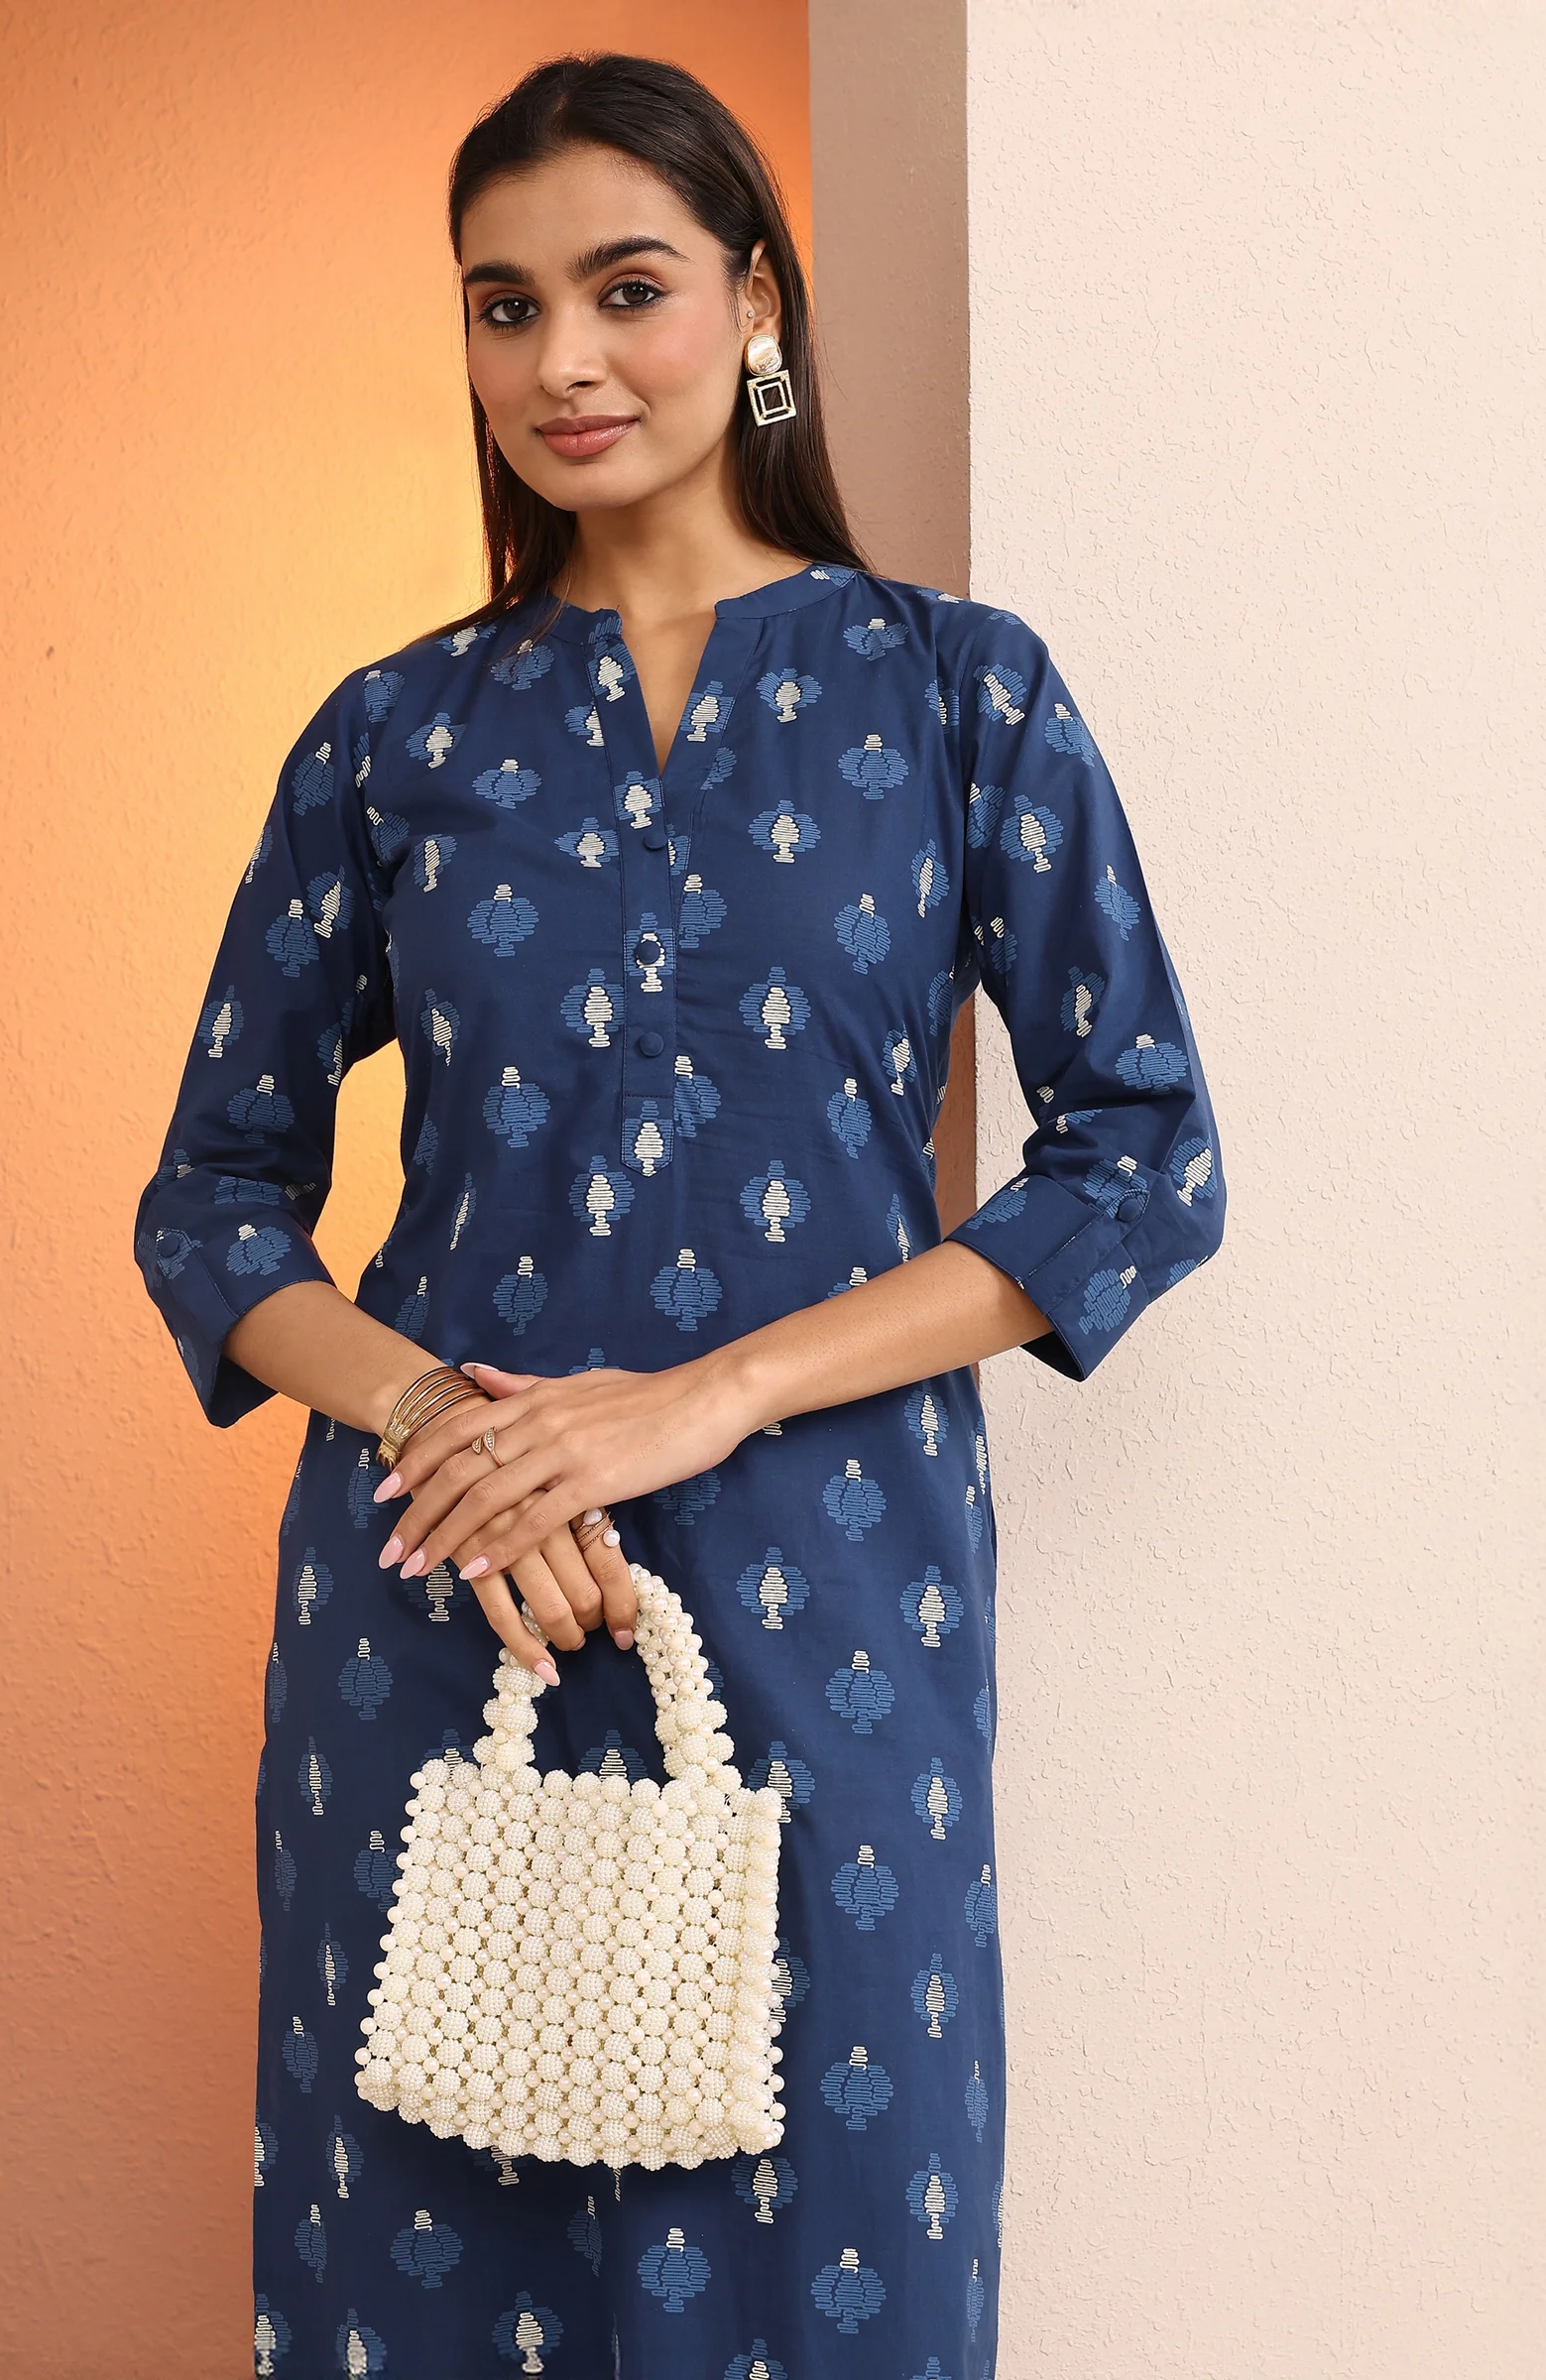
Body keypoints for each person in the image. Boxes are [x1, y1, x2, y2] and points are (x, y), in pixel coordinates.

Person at [134, 50, 1226, 2380]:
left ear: (754, 305)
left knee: (836, 2240)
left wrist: (702, 1399)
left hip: (835, 1600)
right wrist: (443, 1421)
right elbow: (211, 1203)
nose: (564, 360)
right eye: (503, 305)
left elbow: (1143, 1156)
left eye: (626, 289)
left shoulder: (956, 699)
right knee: (423, 2241)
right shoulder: (392, 738)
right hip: (448, 1593)